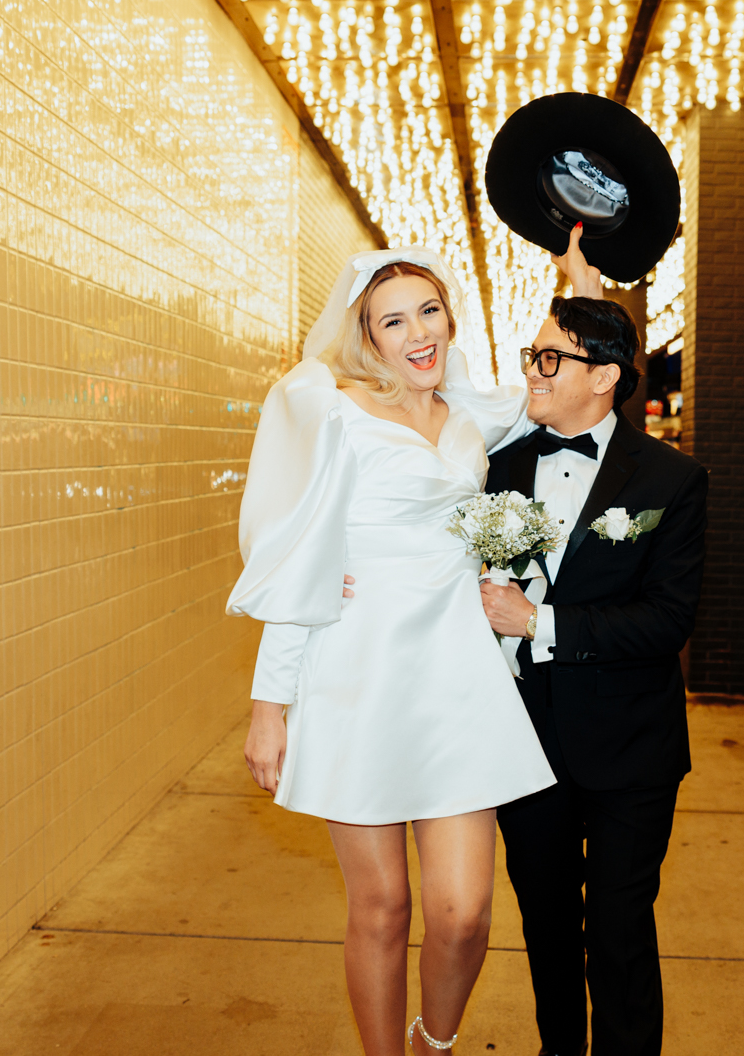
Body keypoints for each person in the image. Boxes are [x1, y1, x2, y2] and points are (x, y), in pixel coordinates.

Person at [228, 245, 596, 1055]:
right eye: (393, 320)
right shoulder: (335, 412)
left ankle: (435, 1040)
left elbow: (568, 381)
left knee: (465, 912)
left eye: (428, 311)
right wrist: (269, 704)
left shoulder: (472, 415)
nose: (417, 333)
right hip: (357, 670)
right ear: (367, 336)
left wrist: (583, 290)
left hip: (460, 678)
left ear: (449, 319)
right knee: (384, 905)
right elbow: (300, 562)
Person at [477, 236, 709, 1056]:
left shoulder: (668, 482)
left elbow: (665, 621)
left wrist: (539, 622)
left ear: (604, 376)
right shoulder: (494, 466)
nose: (533, 371)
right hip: (524, 743)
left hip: (631, 748)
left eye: (550, 357)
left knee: (617, 925)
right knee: (544, 923)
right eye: (532, 354)